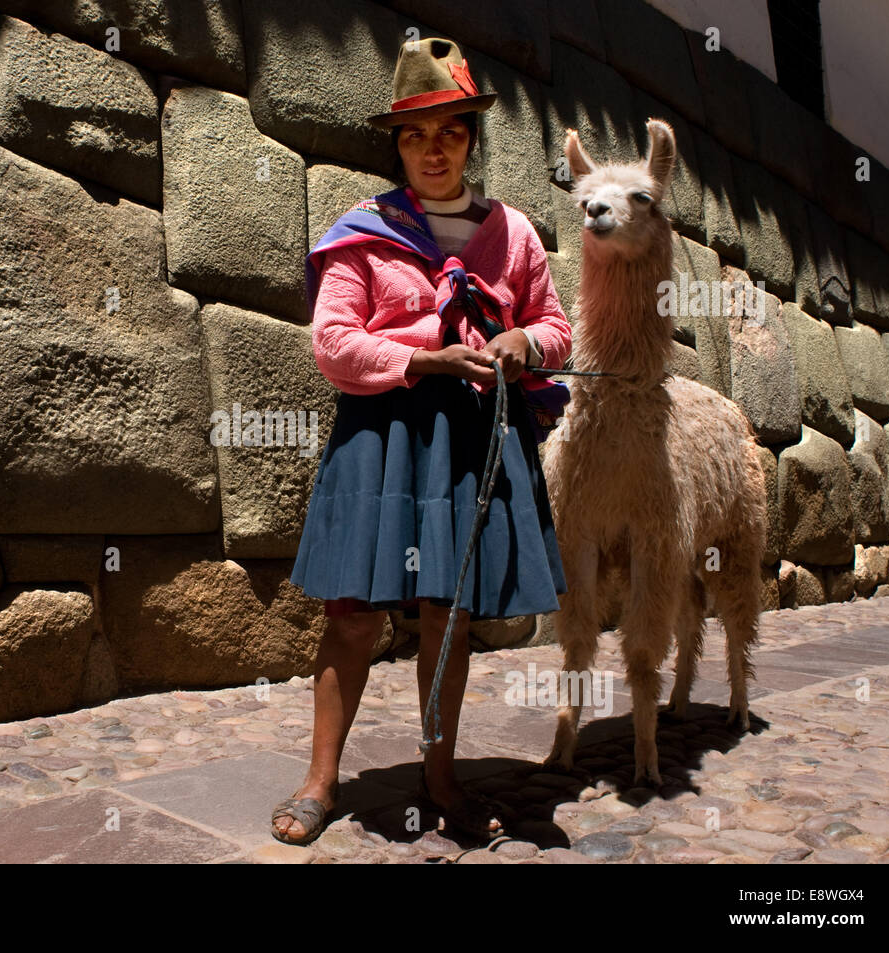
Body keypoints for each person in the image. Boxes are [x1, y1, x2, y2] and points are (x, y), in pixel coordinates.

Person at [272, 37, 572, 846]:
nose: (433, 150)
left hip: (471, 440)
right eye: (414, 135)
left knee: (450, 612)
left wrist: (525, 345)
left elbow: (557, 328)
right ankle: (320, 779)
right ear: (397, 144)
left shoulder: (512, 236)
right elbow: (332, 342)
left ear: (472, 139)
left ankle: (441, 776)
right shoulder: (364, 233)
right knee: (352, 617)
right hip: (385, 435)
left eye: (450, 132)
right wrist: (421, 358)